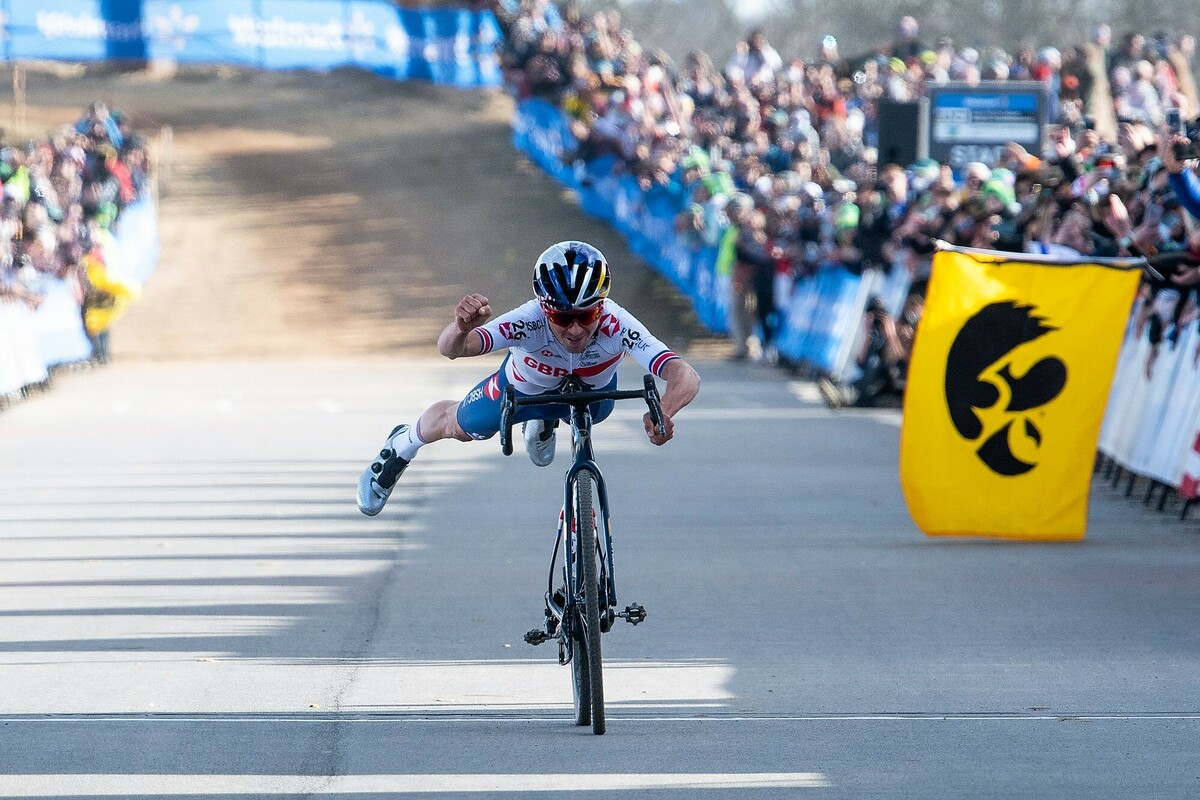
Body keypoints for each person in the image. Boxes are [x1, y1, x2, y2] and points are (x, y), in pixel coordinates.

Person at [357, 241, 702, 516]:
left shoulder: (616, 322)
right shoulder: (529, 320)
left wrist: (664, 412)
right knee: (459, 427)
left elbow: (684, 374)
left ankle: (545, 423)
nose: (576, 329)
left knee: (594, 414)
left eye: (586, 315)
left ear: (601, 306)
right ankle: (400, 446)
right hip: (521, 390)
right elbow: (451, 350)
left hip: (592, 400)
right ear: (544, 308)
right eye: (562, 318)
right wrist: (461, 328)